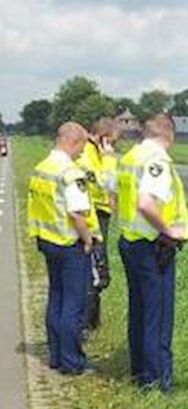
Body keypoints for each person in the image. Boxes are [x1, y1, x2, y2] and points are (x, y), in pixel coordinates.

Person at [117, 114, 188, 393]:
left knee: (139, 311)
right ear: (169, 134)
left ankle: (140, 373)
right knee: (157, 318)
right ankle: (158, 382)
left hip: (130, 241)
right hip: (153, 246)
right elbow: (146, 203)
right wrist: (169, 231)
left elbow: (116, 194)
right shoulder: (156, 160)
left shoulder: (130, 157)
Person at [26, 122, 98, 374]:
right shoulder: (70, 172)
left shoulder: (41, 168)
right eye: (82, 147)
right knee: (74, 304)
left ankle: (56, 355)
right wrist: (88, 239)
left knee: (55, 298)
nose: (81, 153)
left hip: (47, 241)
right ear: (74, 141)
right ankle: (72, 363)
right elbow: (77, 213)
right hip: (69, 244)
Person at [76, 117, 119, 333]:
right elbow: (105, 183)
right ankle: (84, 326)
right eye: (113, 141)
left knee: (97, 272)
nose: (114, 147)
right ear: (104, 139)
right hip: (92, 217)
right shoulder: (86, 155)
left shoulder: (95, 154)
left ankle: (91, 323)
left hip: (100, 214)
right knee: (97, 273)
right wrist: (110, 159)